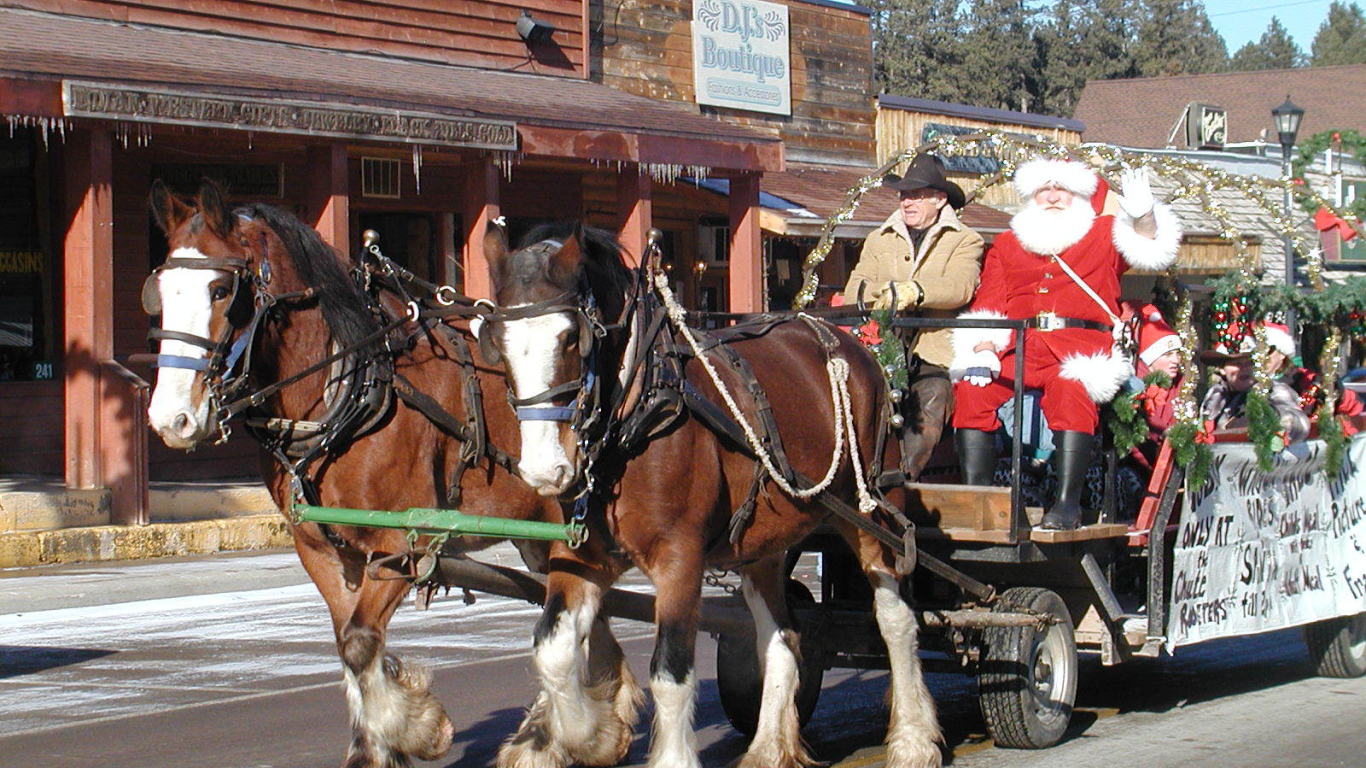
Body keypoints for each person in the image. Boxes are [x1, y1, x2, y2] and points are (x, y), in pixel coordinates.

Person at [949, 159, 1182, 530]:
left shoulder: (1104, 234)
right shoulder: (1009, 243)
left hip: (1079, 346)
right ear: (1031, 195)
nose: (1053, 196)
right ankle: (977, 499)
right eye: (1045, 189)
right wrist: (983, 349)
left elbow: (1146, 248)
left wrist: (1145, 218)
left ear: (1079, 195)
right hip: (1020, 348)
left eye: (1062, 189)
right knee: (973, 391)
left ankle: (1066, 504)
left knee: (1071, 391)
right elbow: (990, 304)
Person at [842, 153, 985, 481]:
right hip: (877, 348)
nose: (908, 202)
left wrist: (917, 291)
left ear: (939, 199)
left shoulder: (965, 239)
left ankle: (899, 482)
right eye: (904, 194)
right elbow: (855, 291)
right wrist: (892, 292)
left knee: (929, 404)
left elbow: (959, 287)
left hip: (932, 356)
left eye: (918, 195)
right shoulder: (879, 238)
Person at [1199, 325, 1310, 443]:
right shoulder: (1216, 394)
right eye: (1235, 363)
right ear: (1222, 369)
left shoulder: (1273, 390)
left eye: (1249, 363)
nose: (1243, 368)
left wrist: (1273, 420)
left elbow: (1301, 426)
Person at [1260, 321, 1363, 436]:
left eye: (1267, 351)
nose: (1260, 358)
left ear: (1282, 353)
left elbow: (1354, 410)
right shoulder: (1243, 383)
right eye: (1254, 353)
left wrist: (1338, 394)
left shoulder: (1306, 380)